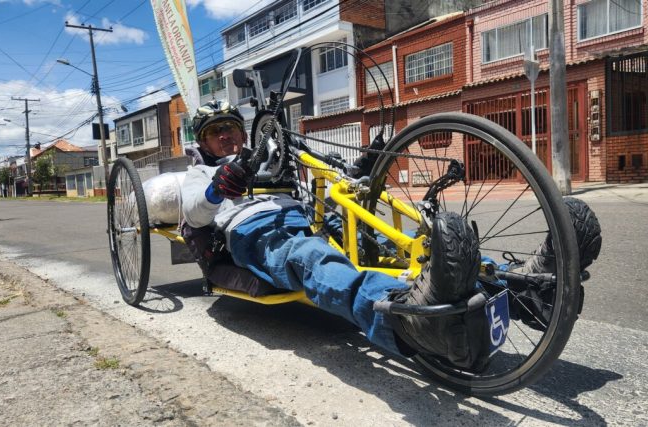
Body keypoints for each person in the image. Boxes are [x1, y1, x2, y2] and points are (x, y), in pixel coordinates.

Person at [180, 100, 602, 369]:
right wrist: (220, 185)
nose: (227, 136)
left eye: (231, 127)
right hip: (255, 232)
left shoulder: (272, 163)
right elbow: (194, 212)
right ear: (203, 143)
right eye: (216, 133)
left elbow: (322, 191)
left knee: (387, 245)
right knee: (311, 259)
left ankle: (526, 284)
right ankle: (407, 323)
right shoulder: (198, 173)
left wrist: (360, 170)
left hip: (306, 215)